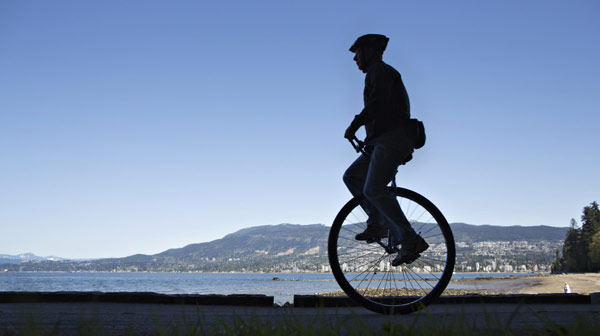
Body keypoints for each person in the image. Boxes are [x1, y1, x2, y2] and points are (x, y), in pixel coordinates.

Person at [343, 34, 428, 266]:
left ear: (370, 51)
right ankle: (378, 220)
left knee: (373, 188)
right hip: (381, 141)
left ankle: (409, 239)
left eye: (357, 53)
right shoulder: (376, 73)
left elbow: (376, 104)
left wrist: (355, 124)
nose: (355, 59)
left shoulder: (379, 71)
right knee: (352, 176)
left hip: (392, 139)